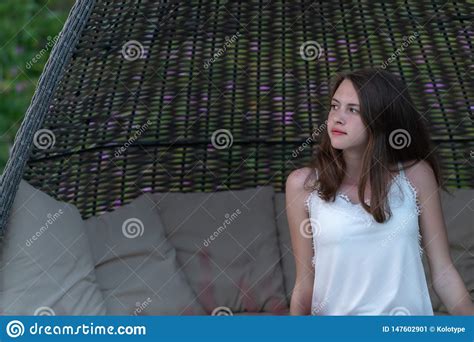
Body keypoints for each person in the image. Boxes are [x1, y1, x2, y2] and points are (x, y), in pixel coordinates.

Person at [285, 67, 474, 315]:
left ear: (380, 118)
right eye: (334, 106)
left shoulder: (417, 175)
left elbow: (444, 273)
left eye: (353, 110)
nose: (337, 118)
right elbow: (304, 284)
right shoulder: (303, 185)